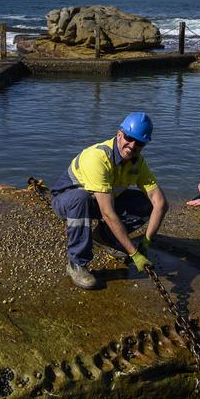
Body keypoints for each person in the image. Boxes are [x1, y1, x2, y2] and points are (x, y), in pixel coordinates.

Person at [50, 112, 168, 290]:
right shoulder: (98, 158)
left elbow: (160, 203)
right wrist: (134, 253)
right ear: (119, 134)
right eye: (129, 137)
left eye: (140, 142)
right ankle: (76, 263)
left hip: (102, 200)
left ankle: (104, 236)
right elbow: (107, 212)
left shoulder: (138, 163)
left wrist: (146, 242)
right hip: (67, 200)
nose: (132, 145)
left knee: (147, 204)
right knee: (80, 199)